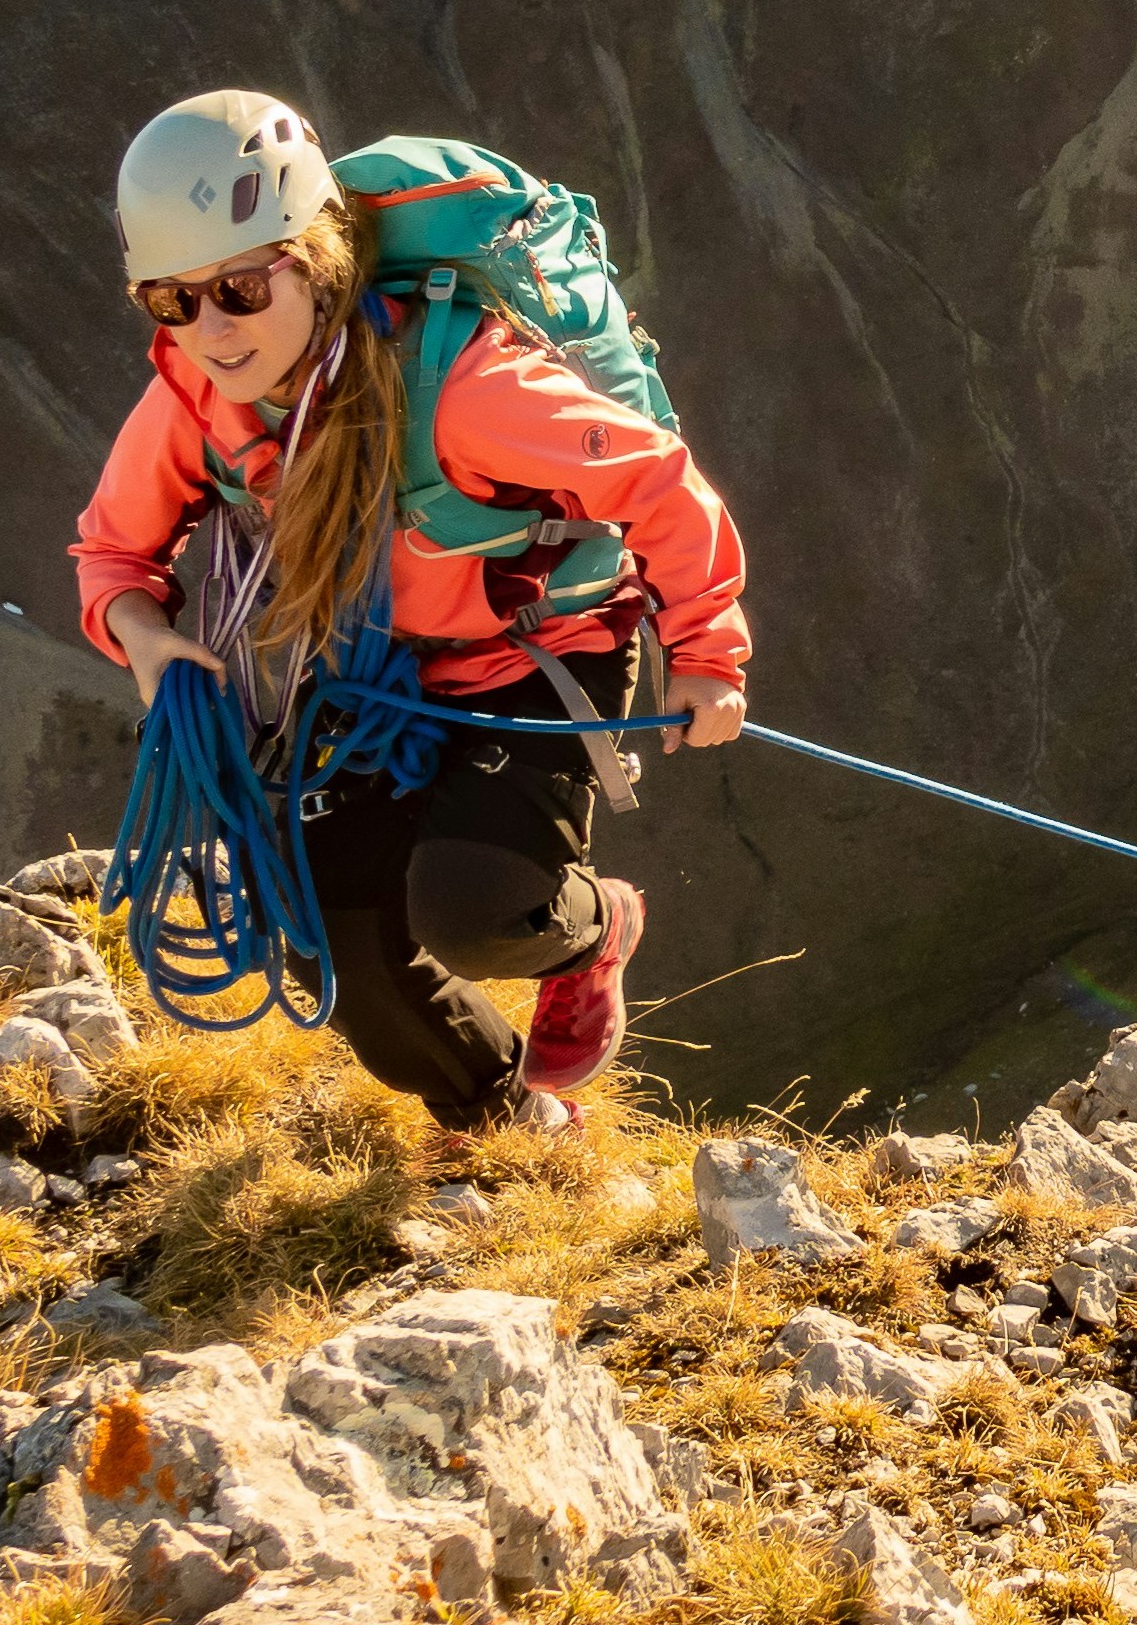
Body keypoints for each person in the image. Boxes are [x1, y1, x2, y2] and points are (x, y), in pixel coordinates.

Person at [72, 90, 750, 1131]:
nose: (210, 329)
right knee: (326, 938)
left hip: (539, 651)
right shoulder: (199, 402)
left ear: (314, 258)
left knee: (475, 907)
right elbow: (113, 549)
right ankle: (504, 1120)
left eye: (241, 288)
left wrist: (704, 650)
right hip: (374, 676)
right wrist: (143, 634)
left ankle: (589, 930)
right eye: (172, 300)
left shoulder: (467, 387)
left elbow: (656, 483)